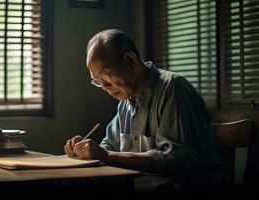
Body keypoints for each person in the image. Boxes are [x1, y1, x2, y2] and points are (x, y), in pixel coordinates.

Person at [64, 29, 229, 194]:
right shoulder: (125, 103)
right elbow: (109, 146)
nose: (105, 88)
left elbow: (175, 159)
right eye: (98, 82)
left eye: (106, 78)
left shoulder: (173, 89)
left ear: (131, 61)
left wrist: (105, 155)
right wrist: (85, 149)